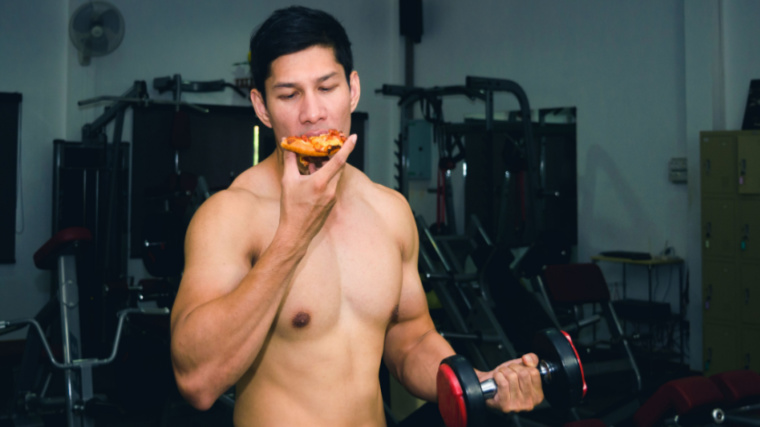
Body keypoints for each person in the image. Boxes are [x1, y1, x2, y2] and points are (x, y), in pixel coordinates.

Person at [169, 6, 544, 426]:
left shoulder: (388, 210)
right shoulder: (229, 215)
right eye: (289, 95)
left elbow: (410, 340)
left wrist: (477, 382)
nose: (312, 113)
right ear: (261, 106)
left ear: (353, 90)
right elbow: (197, 381)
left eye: (326, 88)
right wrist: (291, 238)